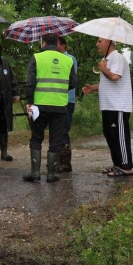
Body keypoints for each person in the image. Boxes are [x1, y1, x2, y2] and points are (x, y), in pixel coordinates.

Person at [22, 33, 77, 183]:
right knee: (56, 140)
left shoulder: (37, 58)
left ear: (44, 43)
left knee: (36, 137)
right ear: (57, 43)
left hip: (39, 106)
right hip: (59, 105)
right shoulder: (68, 60)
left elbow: (30, 82)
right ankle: (52, 174)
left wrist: (29, 101)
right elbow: (73, 83)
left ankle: (35, 173)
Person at [82, 38, 133, 177]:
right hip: (108, 105)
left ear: (109, 42)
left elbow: (115, 77)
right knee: (111, 136)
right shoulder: (107, 60)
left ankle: (126, 167)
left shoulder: (117, 57)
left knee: (120, 137)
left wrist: (103, 69)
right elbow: (108, 82)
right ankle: (117, 165)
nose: (97, 44)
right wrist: (92, 88)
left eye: (100, 41)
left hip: (118, 106)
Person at [57, 36, 77, 172]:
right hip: (57, 99)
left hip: (67, 99)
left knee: (63, 130)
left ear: (63, 45)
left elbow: (70, 79)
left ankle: (65, 162)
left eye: (57, 44)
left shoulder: (70, 59)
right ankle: (58, 160)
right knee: (57, 130)